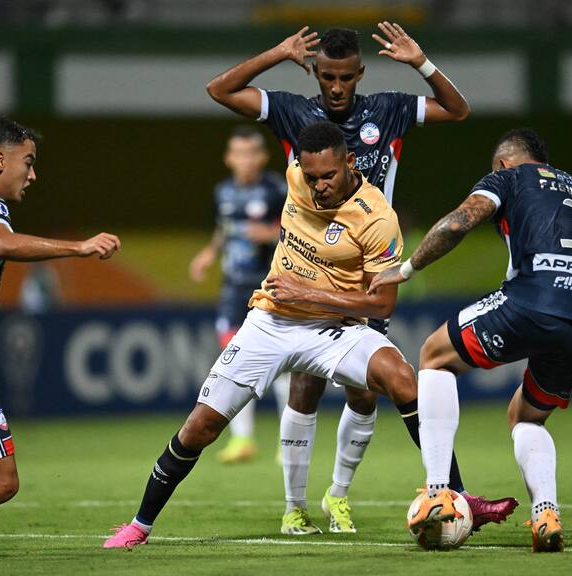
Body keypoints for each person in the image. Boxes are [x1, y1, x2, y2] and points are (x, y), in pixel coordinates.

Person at [207, 23, 515, 534]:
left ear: (359, 73)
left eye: (345, 77)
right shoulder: (292, 110)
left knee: (365, 393)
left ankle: (340, 496)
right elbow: (219, 90)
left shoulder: (389, 109)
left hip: (369, 271)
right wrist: (278, 53)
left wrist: (421, 63)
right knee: (304, 387)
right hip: (309, 266)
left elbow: (458, 110)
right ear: (317, 73)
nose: (335, 87)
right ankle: (293, 507)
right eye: (327, 76)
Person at [105, 121, 421, 547]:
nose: (319, 186)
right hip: (270, 322)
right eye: (311, 178)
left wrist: (306, 291)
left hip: (332, 328)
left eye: (328, 176)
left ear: (349, 162)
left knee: (402, 379)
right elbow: (237, 98)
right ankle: (139, 526)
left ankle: (449, 490)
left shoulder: (378, 217)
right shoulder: (293, 179)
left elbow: (382, 305)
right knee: (200, 427)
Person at [368, 128, 572, 552]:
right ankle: (546, 512)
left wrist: (406, 269)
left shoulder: (509, 178)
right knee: (525, 417)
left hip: (536, 297)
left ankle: (438, 491)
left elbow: (459, 221)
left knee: (434, 355)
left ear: (505, 163)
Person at [0, 116, 121, 524]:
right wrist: (79, 248)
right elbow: (2, 242)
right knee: (1, 480)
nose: (33, 174)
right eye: (28, 162)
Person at [188, 126, 289, 465]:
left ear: (261, 157)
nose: (245, 160)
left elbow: (300, 227)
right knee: (232, 358)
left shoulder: (277, 189)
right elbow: (224, 229)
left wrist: (272, 233)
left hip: (269, 285)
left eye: (252, 153)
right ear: (229, 158)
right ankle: (242, 439)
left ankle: (287, 440)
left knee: (280, 365)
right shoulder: (224, 192)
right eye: (239, 153)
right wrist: (209, 253)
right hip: (233, 287)